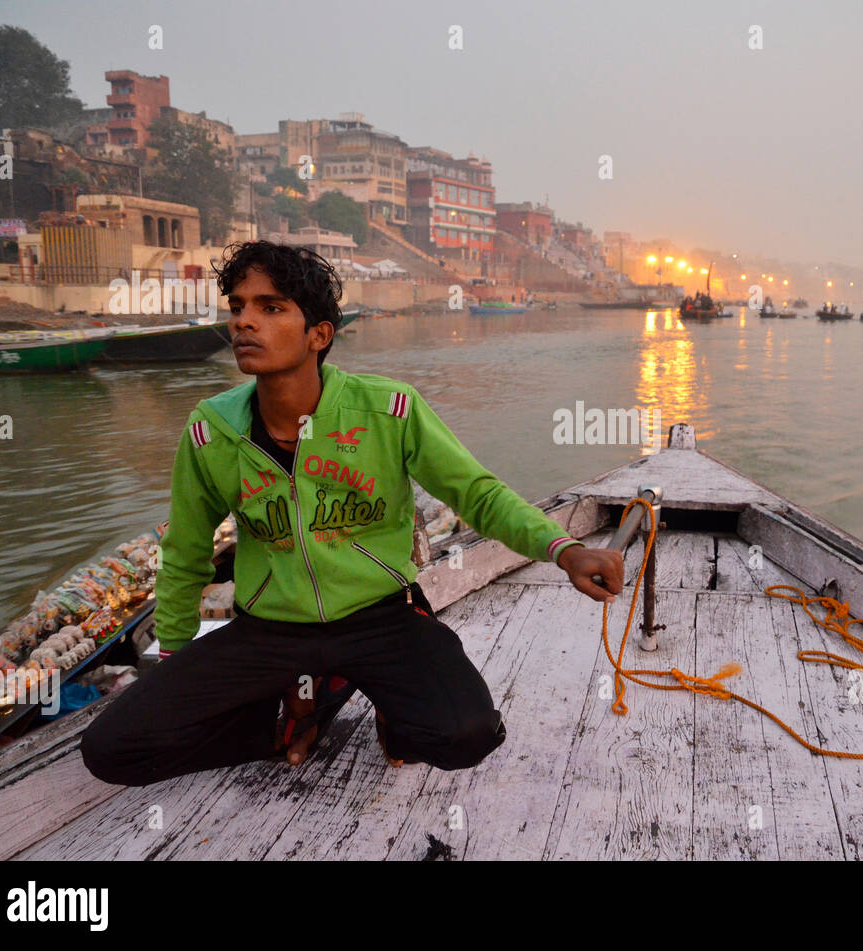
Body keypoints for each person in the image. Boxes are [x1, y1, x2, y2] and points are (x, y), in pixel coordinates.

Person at [81, 241, 624, 787]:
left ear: (319, 335)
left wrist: (565, 550)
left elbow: (477, 494)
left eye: (270, 308)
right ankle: (284, 723)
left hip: (381, 616)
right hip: (269, 628)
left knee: (467, 734)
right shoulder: (210, 431)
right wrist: (175, 661)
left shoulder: (389, 410)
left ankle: (361, 698)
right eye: (238, 306)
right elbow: (186, 554)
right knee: (112, 750)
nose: (244, 322)